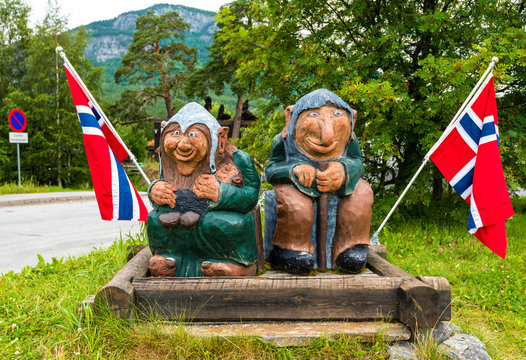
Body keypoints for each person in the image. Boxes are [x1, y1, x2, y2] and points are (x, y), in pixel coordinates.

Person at [265, 89, 373, 274]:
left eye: (337, 114)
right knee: (295, 206)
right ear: (290, 118)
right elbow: (271, 170)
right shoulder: (281, 142)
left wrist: (344, 170)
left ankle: (349, 248)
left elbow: (358, 164)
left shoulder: (351, 142)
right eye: (313, 114)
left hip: (339, 190)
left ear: (352, 120)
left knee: (362, 192)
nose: (327, 135)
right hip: (297, 189)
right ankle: (290, 250)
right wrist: (293, 170)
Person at [147, 102, 260, 277]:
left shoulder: (239, 159)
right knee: (155, 219)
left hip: (217, 218)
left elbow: (252, 196)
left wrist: (222, 193)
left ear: (220, 138)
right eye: (175, 134)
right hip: (180, 217)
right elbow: (164, 184)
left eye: (193, 135)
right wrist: (154, 190)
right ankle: (170, 259)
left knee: (219, 222)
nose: (182, 145)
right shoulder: (170, 160)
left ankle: (238, 265)